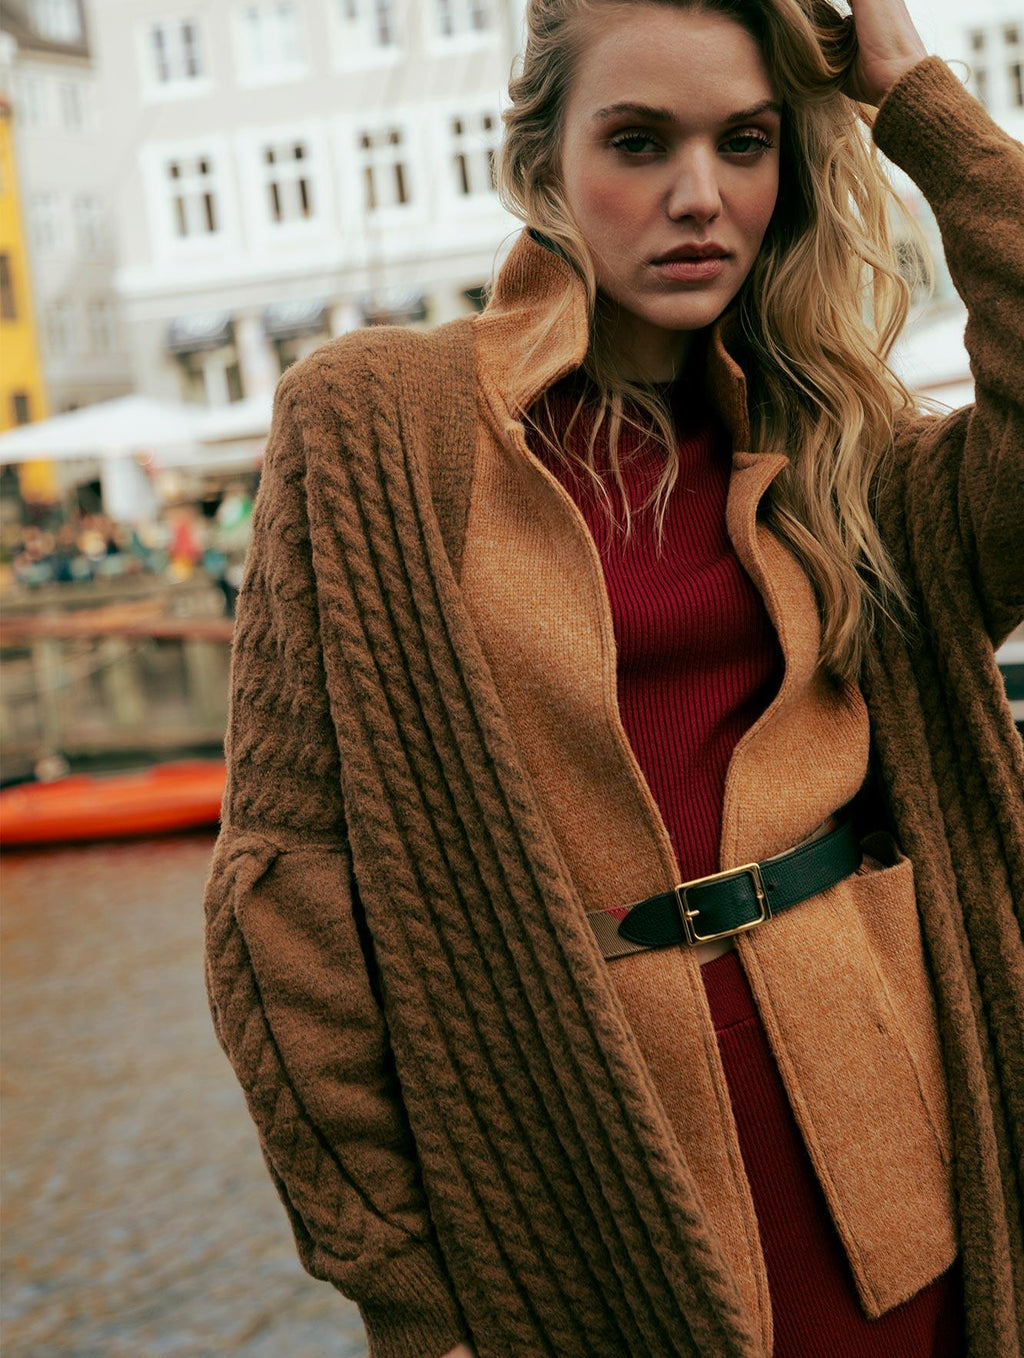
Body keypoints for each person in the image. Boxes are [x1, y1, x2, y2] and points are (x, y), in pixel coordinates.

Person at [202, 1, 1024, 1355]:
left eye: (745, 142)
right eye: (639, 142)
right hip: (574, 1204)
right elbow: (290, 894)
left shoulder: (851, 451)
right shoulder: (379, 428)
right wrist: (412, 1293)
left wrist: (918, 99)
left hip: (897, 1161)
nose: (699, 196)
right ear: (544, 158)